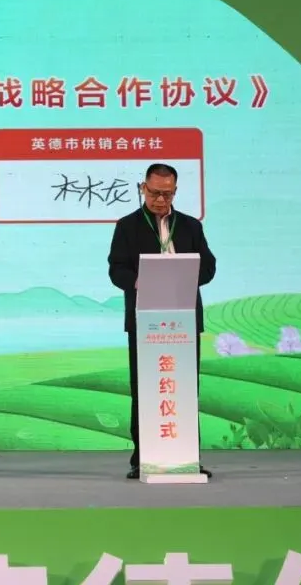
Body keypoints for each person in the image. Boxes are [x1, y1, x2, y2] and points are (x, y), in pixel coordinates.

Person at [107, 163, 216, 480]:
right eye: (154, 192)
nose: (159, 199)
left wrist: (184, 273)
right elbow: (116, 269)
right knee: (144, 390)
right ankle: (142, 458)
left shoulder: (190, 226)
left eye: (167, 194)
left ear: (175, 192)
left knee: (184, 390)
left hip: (184, 321)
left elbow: (209, 267)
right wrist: (140, 281)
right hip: (145, 321)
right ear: (143, 188)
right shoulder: (128, 226)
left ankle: (188, 457)